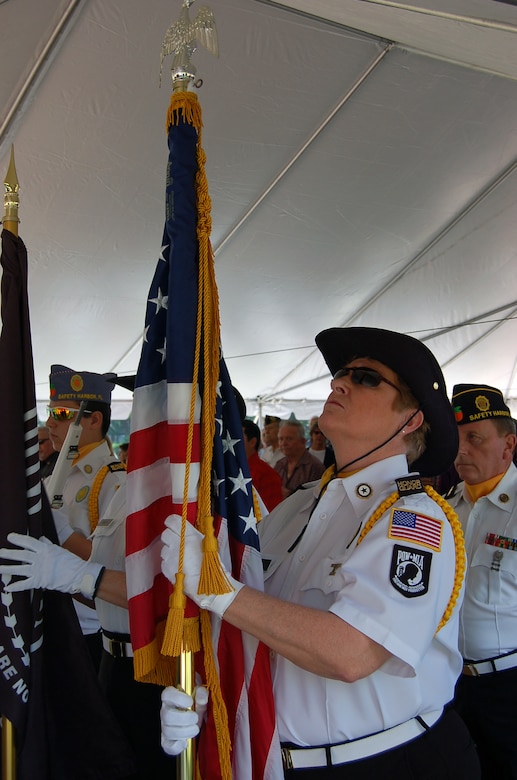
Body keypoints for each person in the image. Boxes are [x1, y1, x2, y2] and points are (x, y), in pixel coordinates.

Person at [159, 326, 480, 778]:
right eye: (341, 373)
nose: (338, 382)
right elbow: (263, 622)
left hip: (383, 763)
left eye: (367, 378)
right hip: (277, 758)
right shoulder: (297, 506)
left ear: (412, 420)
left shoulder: (413, 519)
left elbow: (352, 654)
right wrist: (213, 695)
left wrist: (220, 590)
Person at [445, 384, 517, 778]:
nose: (461, 450)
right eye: (456, 440)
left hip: (508, 687)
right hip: (449, 683)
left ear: (508, 446)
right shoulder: (442, 507)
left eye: (474, 438)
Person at [45, 364, 126, 669]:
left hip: (90, 630)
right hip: (55, 620)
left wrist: (63, 536)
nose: (51, 424)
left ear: (94, 420)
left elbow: (113, 565)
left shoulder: (114, 481)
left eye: (62, 415)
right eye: (50, 413)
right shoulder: (58, 474)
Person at [274, 419, 325, 498]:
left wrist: (291, 495)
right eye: (281, 439)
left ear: (303, 441)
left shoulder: (314, 467)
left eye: (289, 439)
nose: (283, 443)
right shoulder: (279, 464)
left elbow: (317, 498)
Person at [242, 418, 283, 513]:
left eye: (237, 438)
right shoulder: (229, 470)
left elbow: (272, 513)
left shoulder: (266, 474)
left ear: (252, 442)